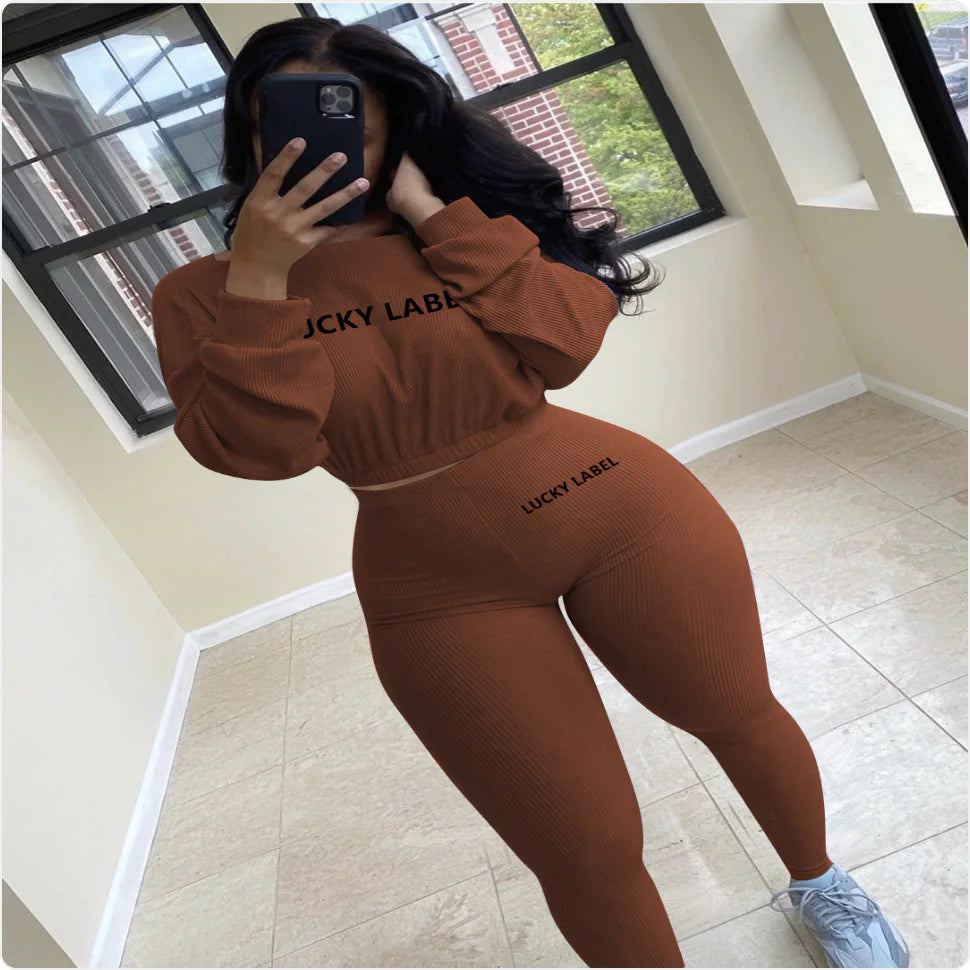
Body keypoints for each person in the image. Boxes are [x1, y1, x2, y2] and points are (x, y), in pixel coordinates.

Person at [150, 16, 910, 970]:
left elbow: (565, 344)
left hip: (620, 508)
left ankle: (822, 883)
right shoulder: (203, 294)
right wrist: (261, 275)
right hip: (435, 582)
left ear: (398, 129)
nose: (317, 148)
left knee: (736, 712)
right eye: (282, 124)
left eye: (352, 125)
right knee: (583, 849)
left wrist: (432, 211)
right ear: (248, 132)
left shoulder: (456, 227)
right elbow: (259, 451)